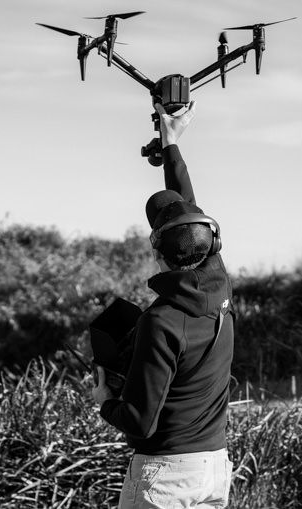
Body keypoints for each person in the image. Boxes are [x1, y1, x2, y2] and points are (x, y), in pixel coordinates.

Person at [91, 101, 235, 509]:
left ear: (158, 253)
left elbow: (139, 421)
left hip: (166, 478)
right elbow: (188, 211)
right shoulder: (219, 285)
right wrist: (171, 144)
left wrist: (106, 401)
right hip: (213, 468)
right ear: (211, 244)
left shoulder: (161, 321)